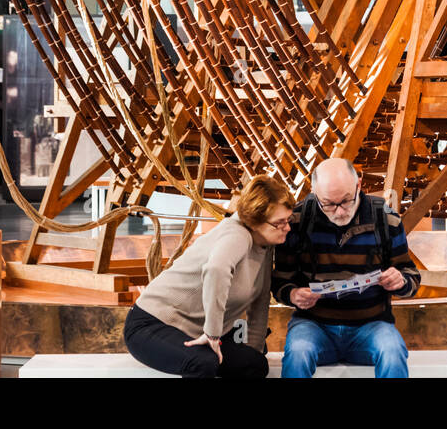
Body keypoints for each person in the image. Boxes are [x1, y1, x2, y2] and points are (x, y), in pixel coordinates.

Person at [125, 175, 292, 378]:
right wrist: (213, 333)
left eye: (288, 220)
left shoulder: (265, 242)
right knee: (203, 363)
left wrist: (253, 349)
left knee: (255, 364)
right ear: (255, 222)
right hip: (152, 325)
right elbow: (216, 270)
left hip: (196, 330)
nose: (287, 228)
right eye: (280, 223)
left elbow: (261, 298)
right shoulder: (237, 235)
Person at [272, 158, 421, 378]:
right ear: (314, 193)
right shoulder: (296, 221)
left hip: (372, 326)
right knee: (298, 353)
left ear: (359, 185)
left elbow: (412, 278)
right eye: (329, 204)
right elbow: (279, 282)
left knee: (392, 351)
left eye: (346, 201)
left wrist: (400, 282)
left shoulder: (386, 219)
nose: (340, 212)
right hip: (314, 325)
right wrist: (293, 294)